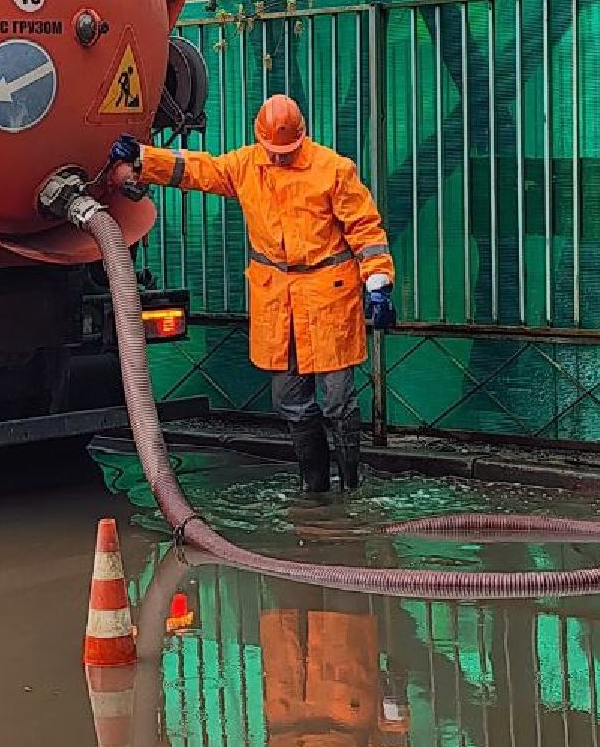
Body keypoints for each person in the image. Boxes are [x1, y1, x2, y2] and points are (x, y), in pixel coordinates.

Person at [107, 94, 396, 492]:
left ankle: (351, 484)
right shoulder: (246, 166)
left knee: (337, 401)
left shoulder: (333, 170)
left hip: (327, 297)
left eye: (286, 151)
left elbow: (366, 229)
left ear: (302, 138)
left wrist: (378, 282)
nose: (279, 158)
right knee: (292, 402)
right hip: (278, 299)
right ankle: (314, 486)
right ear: (261, 141)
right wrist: (142, 157)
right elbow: (197, 169)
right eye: (273, 151)